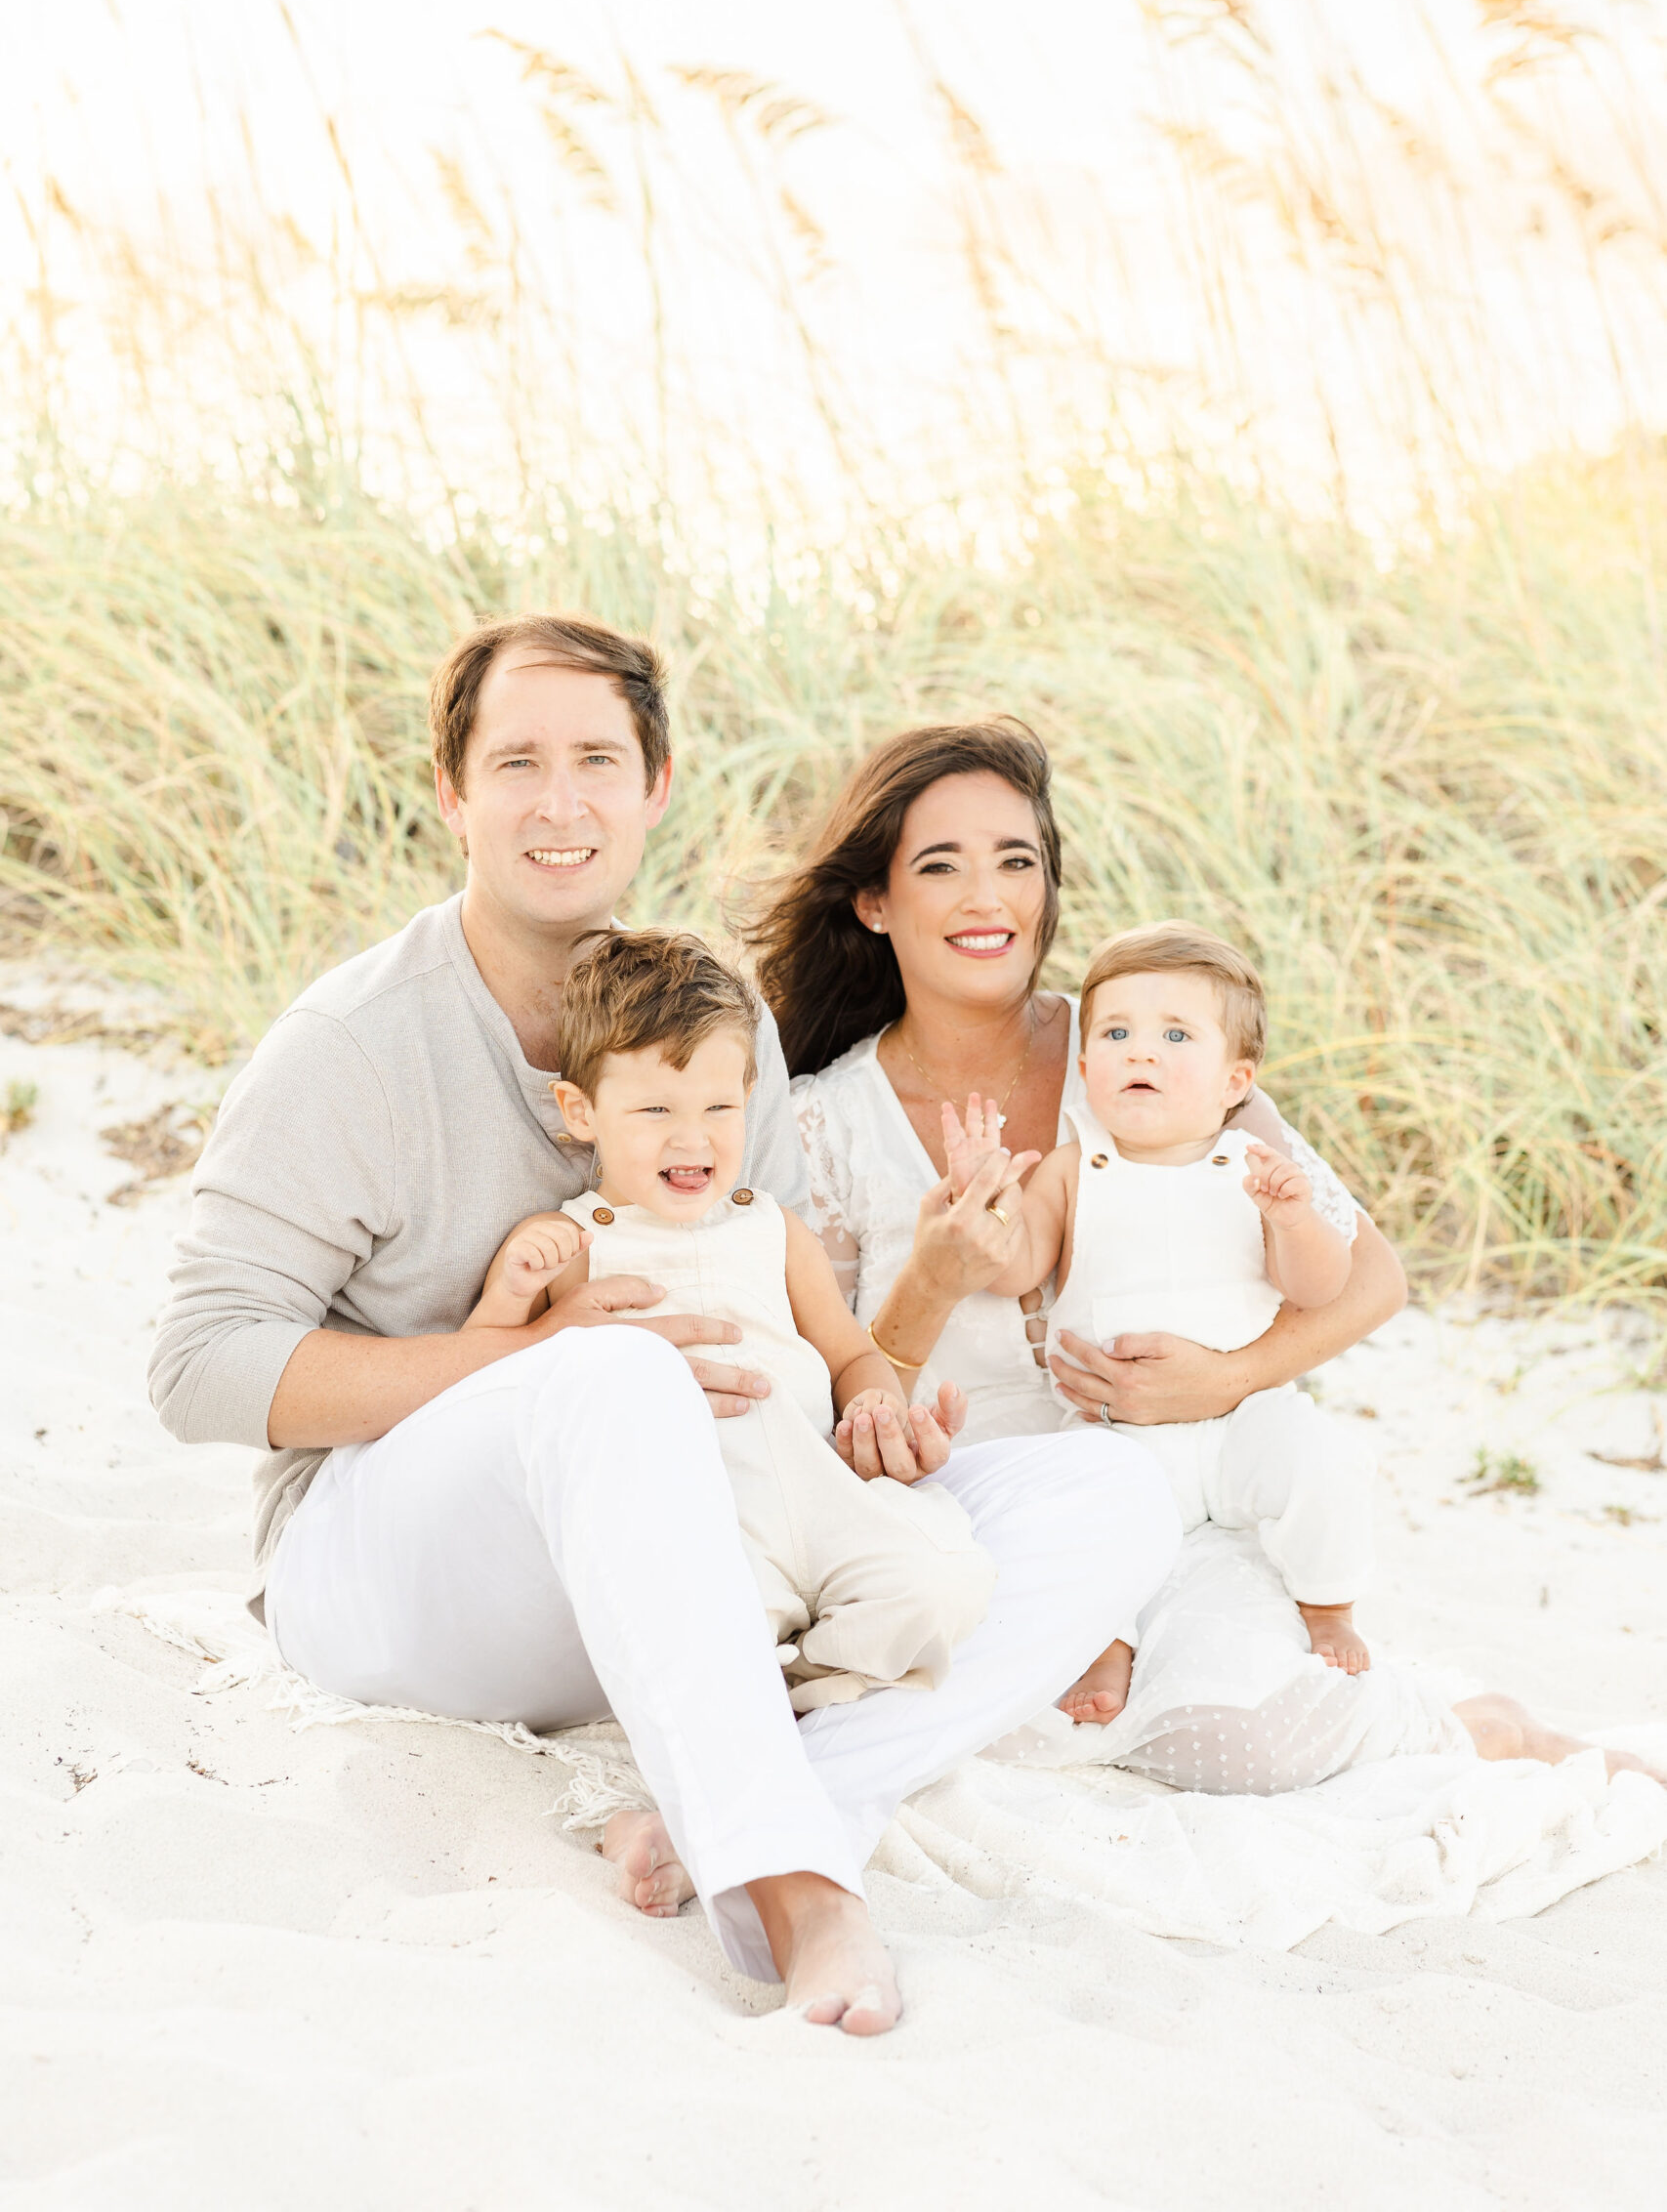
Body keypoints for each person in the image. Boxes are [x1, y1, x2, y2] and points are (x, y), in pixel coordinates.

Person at [147, 614, 1182, 2035]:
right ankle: (800, 1895)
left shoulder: (713, 1025)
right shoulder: (354, 1048)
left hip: (697, 1561)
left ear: (656, 786)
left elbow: (770, 1312)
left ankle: (774, 1795)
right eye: (516, 762)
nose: (559, 800)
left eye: (595, 761)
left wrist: (868, 1400)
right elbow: (200, 1370)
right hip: (401, 1578)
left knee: (1113, 1491)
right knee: (616, 1377)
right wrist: (530, 1361)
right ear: (452, 794)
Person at [755, 715, 1666, 1796]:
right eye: (939, 865)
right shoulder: (822, 1122)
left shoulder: (1146, 1044)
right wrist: (935, 1278)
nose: (987, 897)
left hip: (1188, 1496)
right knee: (964, 1746)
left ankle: (1486, 1727)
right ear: (873, 900)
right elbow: (828, 1411)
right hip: (981, 1514)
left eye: (1018, 861)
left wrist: (1225, 1378)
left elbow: (1370, 1277)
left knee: (1241, 1743)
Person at [465, 925, 995, 1711]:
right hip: (706, 1517)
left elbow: (850, 1353)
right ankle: (757, 1688)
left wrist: (878, 1403)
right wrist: (512, 1291)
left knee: (942, 1585)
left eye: (719, 1105)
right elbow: (481, 1380)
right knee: (699, 1630)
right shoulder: (575, 1243)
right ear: (580, 1111)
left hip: (823, 1485)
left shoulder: (775, 1229)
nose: (693, 1137)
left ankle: (807, 1679)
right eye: (654, 1108)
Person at [959, 918, 1374, 1731]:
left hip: (1241, 1418)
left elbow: (1319, 1288)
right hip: (1119, 1433)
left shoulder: (1251, 1169)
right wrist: (988, 1200)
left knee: (1321, 1458)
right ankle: (1105, 1644)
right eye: (1115, 1033)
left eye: (1175, 1034)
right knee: (1081, 1523)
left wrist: (1293, 1224)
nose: (1139, 1052)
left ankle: (1327, 1604)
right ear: (1085, 1070)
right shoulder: (1075, 1165)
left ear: (1234, 1081)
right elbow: (1015, 1272)